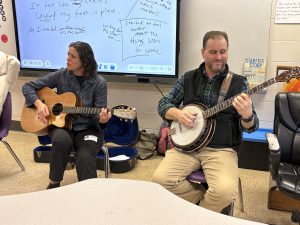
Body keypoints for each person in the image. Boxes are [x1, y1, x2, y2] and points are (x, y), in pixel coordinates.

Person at [152, 31, 259, 213]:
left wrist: (247, 115)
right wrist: (178, 114)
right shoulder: (188, 78)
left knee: (224, 192)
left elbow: (251, 127)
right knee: (159, 182)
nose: (219, 57)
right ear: (203, 52)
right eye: (213, 52)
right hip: (186, 148)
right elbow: (163, 104)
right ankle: (200, 202)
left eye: (223, 52)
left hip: (221, 149)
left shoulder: (239, 83)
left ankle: (194, 215)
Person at [22, 41, 111, 189]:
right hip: (62, 127)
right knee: (61, 141)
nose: (67, 58)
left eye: (73, 56)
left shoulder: (99, 83)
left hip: (89, 130)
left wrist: (102, 120)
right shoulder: (61, 75)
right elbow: (28, 87)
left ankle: (89, 191)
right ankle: (54, 183)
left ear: (85, 60)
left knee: (84, 157)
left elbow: (98, 119)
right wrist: (39, 104)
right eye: (68, 54)